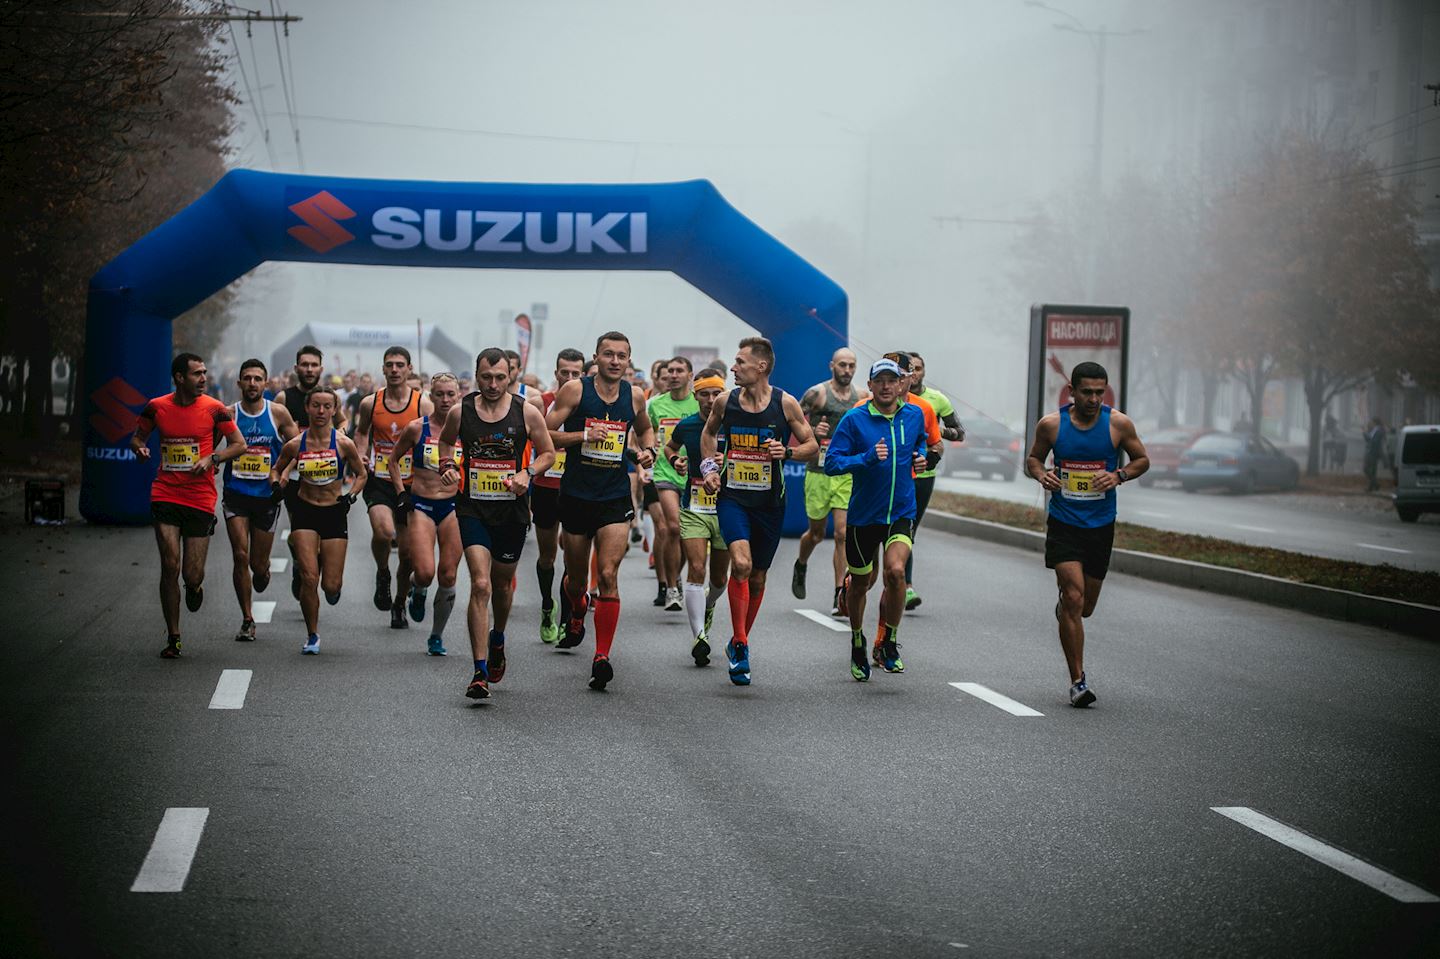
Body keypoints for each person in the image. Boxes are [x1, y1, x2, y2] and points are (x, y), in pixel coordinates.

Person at [1025, 361, 1149, 707]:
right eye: (1087, 392)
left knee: (1086, 607)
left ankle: (1067, 609)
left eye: (1100, 392)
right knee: (1075, 597)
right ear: (1072, 393)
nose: (1094, 398)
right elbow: (1033, 459)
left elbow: (1142, 460)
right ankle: (1078, 681)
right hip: (1064, 523)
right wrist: (1042, 475)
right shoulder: (1052, 425)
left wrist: (1119, 475)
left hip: (1101, 523)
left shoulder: (1118, 424)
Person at [699, 337, 817, 686]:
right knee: (742, 564)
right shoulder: (726, 400)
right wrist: (708, 469)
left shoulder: (786, 404)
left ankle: (739, 641)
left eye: (739, 362)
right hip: (732, 497)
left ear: (761, 366)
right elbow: (709, 434)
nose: (733, 368)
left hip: (769, 502)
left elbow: (811, 446)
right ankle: (740, 643)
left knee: (759, 576)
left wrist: (788, 453)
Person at [438, 348, 555, 700]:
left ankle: (498, 636)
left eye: (500, 378)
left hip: (512, 510)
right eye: (486, 377)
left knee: (503, 585)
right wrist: (448, 466)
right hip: (472, 507)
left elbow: (548, 453)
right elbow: (445, 442)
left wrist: (527, 473)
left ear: (511, 377)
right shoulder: (461, 412)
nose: (492, 384)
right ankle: (479, 670)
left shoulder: (527, 412)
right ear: (476, 375)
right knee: (481, 583)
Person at [545, 331, 656, 691]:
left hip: (613, 496)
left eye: (621, 356)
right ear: (596, 357)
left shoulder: (635, 396)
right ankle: (577, 608)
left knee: (607, 574)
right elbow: (545, 434)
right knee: (577, 581)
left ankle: (601, 656)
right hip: (577, 494)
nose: (614, 361)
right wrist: (581, 437)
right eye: (608, 354)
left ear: (628, 361)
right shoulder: (576, 391)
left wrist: (647, 452)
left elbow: (646, 431)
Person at [823, 358, 934, 681]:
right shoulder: (854, 420)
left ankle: (889, 641)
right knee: (860, 583)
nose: (886, 386)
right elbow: (832, 463)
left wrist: (922, 455)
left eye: (892, 380)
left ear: (901, 385)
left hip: (901, 510)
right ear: (869, 386)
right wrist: (866, 459)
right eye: (879, 381)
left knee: (896, 573)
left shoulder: (914, 415)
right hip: (864, 515)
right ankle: (857, 641)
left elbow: (921, 442)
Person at [130, 353, 247, 658]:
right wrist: (139, 448)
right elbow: (137, 437)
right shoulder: (157, 407)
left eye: (205, 373)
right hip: (166, 492)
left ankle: (194, 588)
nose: (204, 378)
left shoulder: (215, 409)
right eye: (197, 374)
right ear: (179, 378)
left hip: (199, 496)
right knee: (170, 564)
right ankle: (174, 637)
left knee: (191, 575)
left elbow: (239, 444)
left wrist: (213, 458)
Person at [270, 387, 367, 654]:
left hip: (334, 512)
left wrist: (352, 495)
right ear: (308, 408)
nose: (321, 411)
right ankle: (312, 635)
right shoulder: (296, 444)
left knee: (331, 586)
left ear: (335, 410)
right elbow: (277, 469)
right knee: (309, 577)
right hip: (305, 511)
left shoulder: (343, 443)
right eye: (316, 406)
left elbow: (361, 474)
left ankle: (326, 565)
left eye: (327, 406)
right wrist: (277, 484)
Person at [354, 346, 433, 626]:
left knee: (410, 555)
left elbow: (433, 437)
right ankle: (382, 571)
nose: (395, 370)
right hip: (381, 480)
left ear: (409, 369)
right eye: (390, 365)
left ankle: (399, 604)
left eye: (400, 365)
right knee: (385, 531)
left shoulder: (422, 404)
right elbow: (362, 432)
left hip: (413, 485)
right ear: (383, 369)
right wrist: (361, 454)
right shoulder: (370, 403)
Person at [387, 374, 465, 657]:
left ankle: (436, 636)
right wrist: (401, 493)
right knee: (424, 572)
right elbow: (393, 460)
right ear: (430, 397)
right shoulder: (416, 428)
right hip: (421, 505)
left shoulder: (466, 429)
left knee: (448, 574)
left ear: (458, 396)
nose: (445, 400)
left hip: (454, 507)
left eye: (450, 395)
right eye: (440, 394)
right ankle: (417, 591)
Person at [221, 359, 298, 642]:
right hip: (236, 493)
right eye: (247, 378)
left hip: (266, 496)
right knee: (240, 556)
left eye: (257, 379)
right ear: (239, 383)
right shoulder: (228, 414)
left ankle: (263, 572)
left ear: (266, 383)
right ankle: (247, 618)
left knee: (258, 565)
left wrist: (284, 474)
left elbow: (296, 448)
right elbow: (207, 445)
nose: (252, 383)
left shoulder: (278, 413)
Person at [664, 369, 730, 665]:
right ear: (696, 396)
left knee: (718, 578)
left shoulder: (735, 424)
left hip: (728, 508)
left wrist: (727, 461)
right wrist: (676, 460)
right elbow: (669, 447)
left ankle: (709, 604)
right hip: (694, 507)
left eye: (717, 394)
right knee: (697, 567)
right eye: (705, 394)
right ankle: (699, 636)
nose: (711, 400)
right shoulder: (688, 425)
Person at [793, 347, 859, 616]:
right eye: (842, 365)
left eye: (852, 366)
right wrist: (812, 431)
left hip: (845, 472)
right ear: (832, 365)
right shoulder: (817, 393)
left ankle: (838, 594)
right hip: (819, 471)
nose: (847, 370)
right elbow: (792, 421)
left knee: (842, 533)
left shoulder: (861, 397)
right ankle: (801, 563)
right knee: (817, 534)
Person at [901, 351, 964, 610]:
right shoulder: (892, 396)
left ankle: (905, 587)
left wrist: (936, 430)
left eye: (918, 368)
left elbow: (959, 433)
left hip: (924, 474)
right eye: (909, 369)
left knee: (908, 529)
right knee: (887, 528)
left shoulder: (936, 400)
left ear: (923, 372)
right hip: (895, 472)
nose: (913, 373)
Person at [531, 348, 586, 643]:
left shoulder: (588, 404)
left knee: (573, 557)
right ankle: (546, 605)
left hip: (577, 487)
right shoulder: (542, 403)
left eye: (576, 373)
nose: (569, 377)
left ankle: (567, 618)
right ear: (556, 373)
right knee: (547, 556)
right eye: (564, 372)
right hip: (546, 487)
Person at [647, 356, 699, 613]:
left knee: (690, 533)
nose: (674, 375)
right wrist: (644, 456)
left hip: (696, 475)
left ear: (690, 374)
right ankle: (670, 588)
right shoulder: (655, 405)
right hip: (665, 471)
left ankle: (675, 577)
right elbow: (643, 434)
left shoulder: (699, 402)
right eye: (671, 371)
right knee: (673, 527)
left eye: (680, 370)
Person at [1362, 417, 1386, 491]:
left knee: (1367, 469)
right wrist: (1365, 433)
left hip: (1373, 453)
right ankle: (1374, 486)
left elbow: (1373, 441)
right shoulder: (1374, 430)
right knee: (1371, 471)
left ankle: (1374, 485)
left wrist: (1365, 433)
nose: (1370, 423)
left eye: (1371, 422)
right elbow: (1368, 440)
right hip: (1371, 452)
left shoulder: (1379, 431)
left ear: (1375, 423)